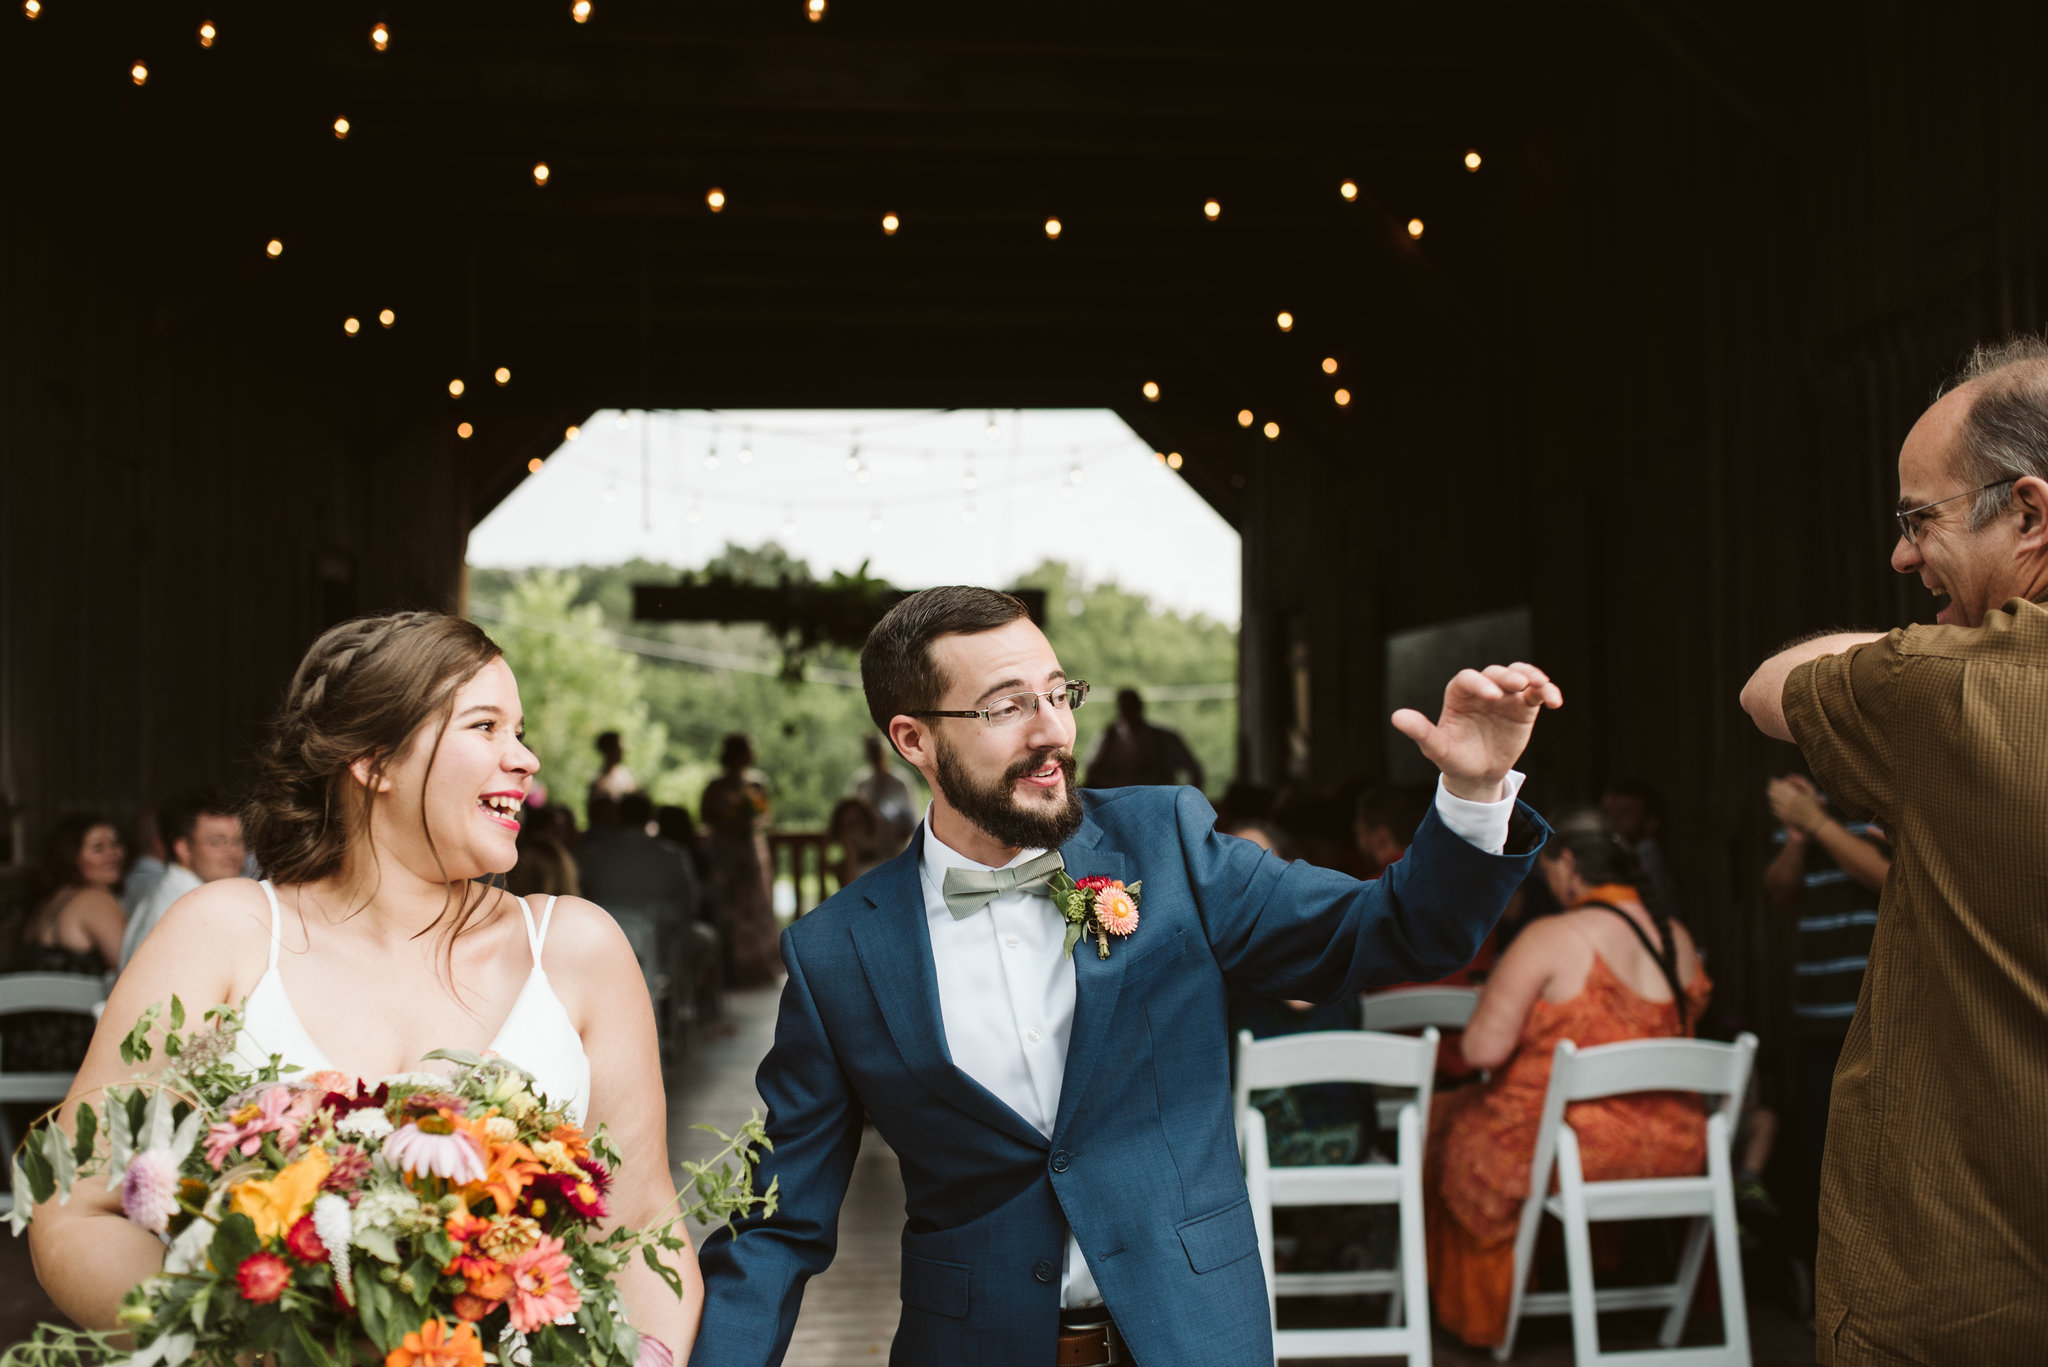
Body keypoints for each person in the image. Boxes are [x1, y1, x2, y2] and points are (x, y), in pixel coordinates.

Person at [690, 585, 1560, 1367]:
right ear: (914, 739)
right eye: (1005, 707)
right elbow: (779, 1221)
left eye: (1058, 693)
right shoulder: (836, 949)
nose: (1053, 732)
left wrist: (1471, 796)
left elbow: (1389, 932)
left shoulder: (1169, 843)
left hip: (1193, 1336)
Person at [28, 611, 697, 1360]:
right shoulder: (223, 934)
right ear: (374, 761)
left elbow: (642, 1227)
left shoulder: (576, 950)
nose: (526, 758)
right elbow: (73, 1208)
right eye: (485, 726)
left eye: (521, 729)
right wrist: (244, 1335)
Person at [1739, 337, 2048, 1364]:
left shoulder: (1957, 690)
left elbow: (1767, 685)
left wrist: (1940, 643)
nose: (1900, 556)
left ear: (2030, 513)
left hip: (1967, 1293)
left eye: (1919, 518)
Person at [1425, 807, 1711, 1349]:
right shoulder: (1676, 935)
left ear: (1570, 865)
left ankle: (1483, 1317)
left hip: (1573, 1149)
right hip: (1678, 1145)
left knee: (1446, 1123)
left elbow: (1483, 1048)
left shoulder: (1551, 936)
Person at [1760, 773, 1889, 1281]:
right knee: (1824, 1152)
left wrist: (1817, 822)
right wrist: (1797, 837)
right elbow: (1779, 889)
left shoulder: (1883, 792)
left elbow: (1884, 875)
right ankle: (1829, 1287)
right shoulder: (1809, 800)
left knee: (1879, 1152)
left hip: (1876, 1007)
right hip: (1816, 1009)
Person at [0, 815, 126, 1075]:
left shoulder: (48, 901)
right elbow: (130, 969)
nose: (113, 854)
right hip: (71, 1049)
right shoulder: (95, 900)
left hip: (21, 1045)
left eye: (115, 844)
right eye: (98, 847)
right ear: (72, 857)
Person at [117, 789, 246, 969]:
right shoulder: (191, 902)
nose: (233, 852)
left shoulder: (168, 889)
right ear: (183, 848)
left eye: (238, 841)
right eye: (217, 842)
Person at [699, 733, 779, 988]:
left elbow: (766, 816)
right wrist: (730, 821)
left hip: (752, 851)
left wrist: (749, 820)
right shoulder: (715, 786)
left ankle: (761, 969)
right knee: (730, 909)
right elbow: (705, 815)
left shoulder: (757, 782)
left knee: (758, 907)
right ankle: (732, 972)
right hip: (727, 853)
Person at [1083, 687, 1204, 789]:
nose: (1128, 713)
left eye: (1130, 708)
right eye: (1125, 708)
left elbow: (1195, 772)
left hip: (1158, 802)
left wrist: (1187, 804)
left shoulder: (1165, 739)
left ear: (1139, 708)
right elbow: (1090, 774)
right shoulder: (1108, 738)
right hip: (1118, 805)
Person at [1600, 777, 1684, 922]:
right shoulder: (1623, 857)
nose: (1612, 821)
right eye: (1607, 813)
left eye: (1624, 814)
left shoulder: (1646, 862)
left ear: (1651, 823)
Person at [850, 734, 919, 852]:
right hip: (866, 850)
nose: (875, 757)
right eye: (872, 752)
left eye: (877, 752)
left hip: (895, 848)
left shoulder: (901, 781)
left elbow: (912, 819)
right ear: (867, 755)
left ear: (885, 752)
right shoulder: (861, 782)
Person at [1352, 783, 1431, 880]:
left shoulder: (1375, 889)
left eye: (1361, 834)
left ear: (1381, 838)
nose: (1359, 844)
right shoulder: (1445, 874)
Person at [824, 796, 889, 889]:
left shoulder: (886, 858)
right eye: (847, 826)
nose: (853, 830)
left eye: (857, 822)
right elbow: (850, 895)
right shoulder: (841, 868)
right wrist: (851, 854)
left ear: (869, 823)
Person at [590, 729, 640, 804]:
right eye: (619, 748)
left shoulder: (625, 776)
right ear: (609, 750)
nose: (623, 751)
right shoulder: (599, 783)